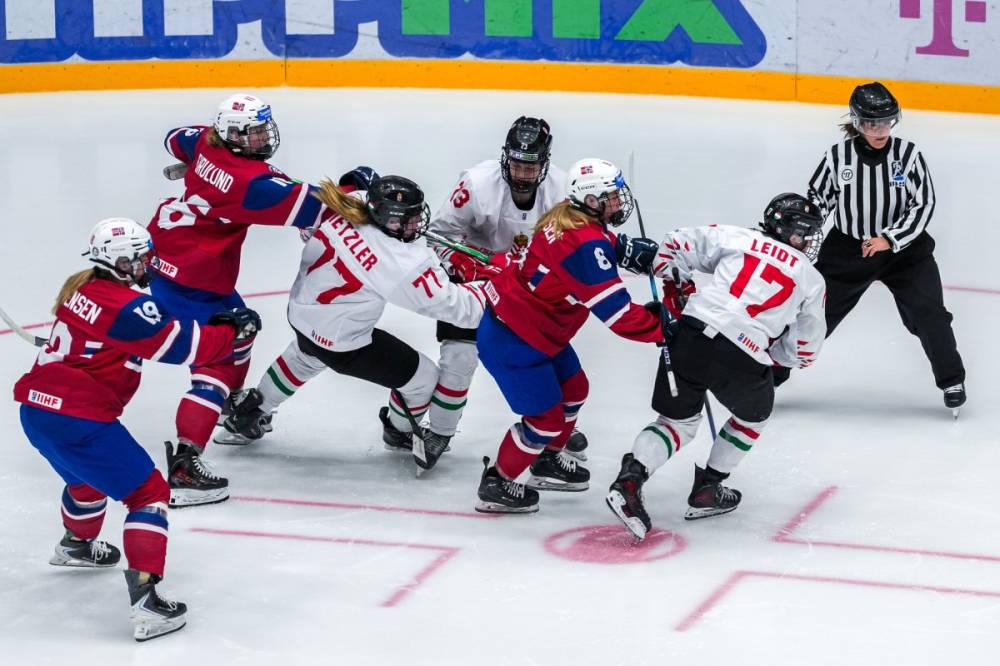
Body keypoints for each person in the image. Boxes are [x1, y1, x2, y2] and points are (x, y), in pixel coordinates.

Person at [13, 219, 259, 641]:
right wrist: (231, 333)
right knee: (147, 494)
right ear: (121, 261)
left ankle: (77, 545)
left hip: (36, 412)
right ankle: (148, 604)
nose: (151, 262)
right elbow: (179, 348)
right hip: (80, 416)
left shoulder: (81, 288)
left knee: (85, 480)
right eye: (142, 256)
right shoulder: (126, 306)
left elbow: (146, 325)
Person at [217, 175, 495, 475]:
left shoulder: (355, 202)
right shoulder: (396, 261)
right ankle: (398, 430)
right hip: (340, 341)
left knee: (305, 355)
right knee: (424, 379)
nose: (417, 224)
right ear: (388, 219)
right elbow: (461, 309)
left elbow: (354, 188)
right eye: (410, 219)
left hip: (302, 313)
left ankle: (248, 414)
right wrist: (491, 283)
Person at [146, 93, 336, 506]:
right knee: (217, 359)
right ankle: (184, 464)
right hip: (193, 278)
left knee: (242, 326)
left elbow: (174, 138)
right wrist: (361, 188)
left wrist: (202, 168)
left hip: (169, 256)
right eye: (253, 133)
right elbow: (319, 207)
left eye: (263, 128)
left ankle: (231, 406)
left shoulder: (204, 143)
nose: (263, 137)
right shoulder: (252, 186)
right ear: (231, 134)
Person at [605, 194, 827, 540]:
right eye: (804, 233)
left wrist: (677, 283)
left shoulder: (738, 237)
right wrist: (774, 356)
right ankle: (708, 487)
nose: (809, 241)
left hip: (690, 333)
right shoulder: (811, 279)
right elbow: (805, 349)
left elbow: (675, 243)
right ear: (786, 229)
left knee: (676, 422)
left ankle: (630, 480)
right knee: (754, 417)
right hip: (743, 354)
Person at [475, 158, 667, 514]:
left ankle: (546, 460)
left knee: (575, 389)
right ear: (591, 201)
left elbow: (601, 242)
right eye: (611, 196)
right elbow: (621, 316)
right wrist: (665, 327)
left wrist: (625, 249)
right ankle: (497, 481)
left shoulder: (569, 214)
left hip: (536, 331)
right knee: (544, 420)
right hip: (515, 341)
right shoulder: (583, 245)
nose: (619, 201)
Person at [777, 81, 966, 416]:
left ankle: (952, 380)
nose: (880, 130)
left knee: (928, 314)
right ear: (857, 122)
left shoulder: (908, 156)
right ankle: (768, 376)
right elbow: (819, 201)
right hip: (848, 251)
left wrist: (889, 239)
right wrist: (801, 224)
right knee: (815, 315)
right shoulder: (838, 157)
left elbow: (923, 204)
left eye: (887, 121)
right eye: (871, 123)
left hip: (904, 253)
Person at [427, 117, 590, 458]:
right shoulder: (476, 183)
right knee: (459, 356)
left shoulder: (564, 193)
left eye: (531, 168)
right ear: (505, 157)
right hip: (475, 285)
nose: (522, 174)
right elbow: (439, 235)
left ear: (545, 163)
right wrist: (474, 264)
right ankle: (435, 431)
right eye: (516, 164)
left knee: (546, 356)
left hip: (528, 295)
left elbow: (580, 246)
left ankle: (557, 423)